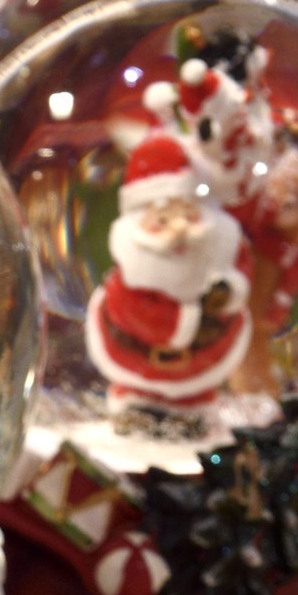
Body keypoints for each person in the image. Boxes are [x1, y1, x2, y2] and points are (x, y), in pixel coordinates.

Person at [85, 131, 251, 424]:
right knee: (135, 396)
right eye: (163, 220)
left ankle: (195, 410)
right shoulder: (130, 277)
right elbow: (130, 313)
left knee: (198, 402)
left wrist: (227, 294)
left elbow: (241, 271)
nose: (179, 229)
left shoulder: (221, 250)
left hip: (203, 361)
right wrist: (188, 320)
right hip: (138, 360)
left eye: (189, 216)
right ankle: (134, 409)